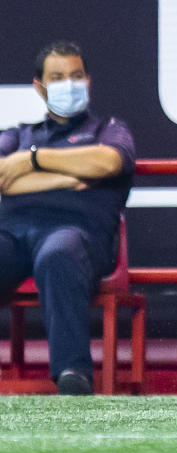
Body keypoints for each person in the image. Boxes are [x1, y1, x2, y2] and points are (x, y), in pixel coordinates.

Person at [0, 41, 135, 396]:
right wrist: (65, 177)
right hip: (12, 233)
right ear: (39, 87)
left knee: (57, 254)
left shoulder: (108, 129)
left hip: (77, 235)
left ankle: (73, 374)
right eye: (58, 77)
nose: (69, 84)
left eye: (76, 76)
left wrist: (28, 163)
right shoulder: (17, 134)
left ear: (88, 81)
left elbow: (107, 163)